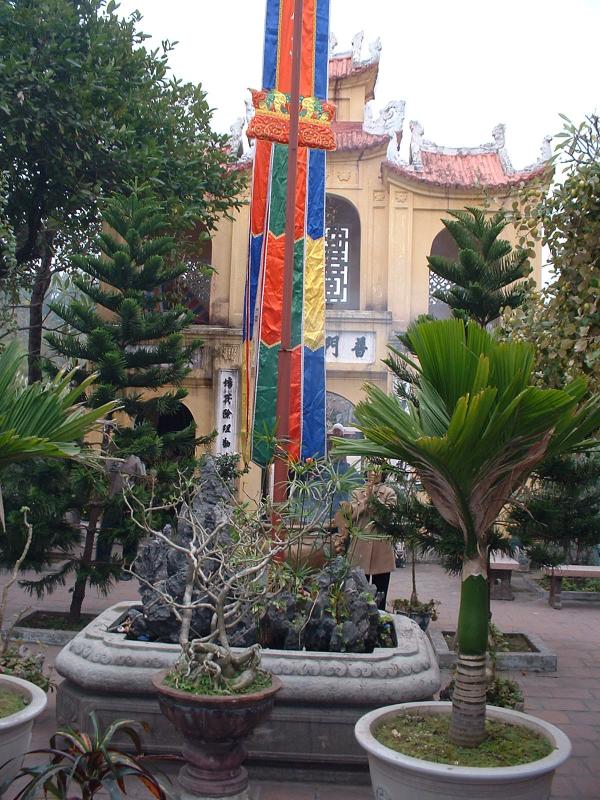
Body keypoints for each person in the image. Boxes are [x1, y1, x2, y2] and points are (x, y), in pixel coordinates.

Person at [335, 469, 396, 609]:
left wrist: (374, 501)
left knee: (380, 593)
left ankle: (380, 620)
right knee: (358, 593)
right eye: (370, 470)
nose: (373, 473)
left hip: (382, 549)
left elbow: (389, 515)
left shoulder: (389, 492)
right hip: (360, 548)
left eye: (378, 470)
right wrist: (365, 500)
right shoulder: (357, 492)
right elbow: (351, 514)